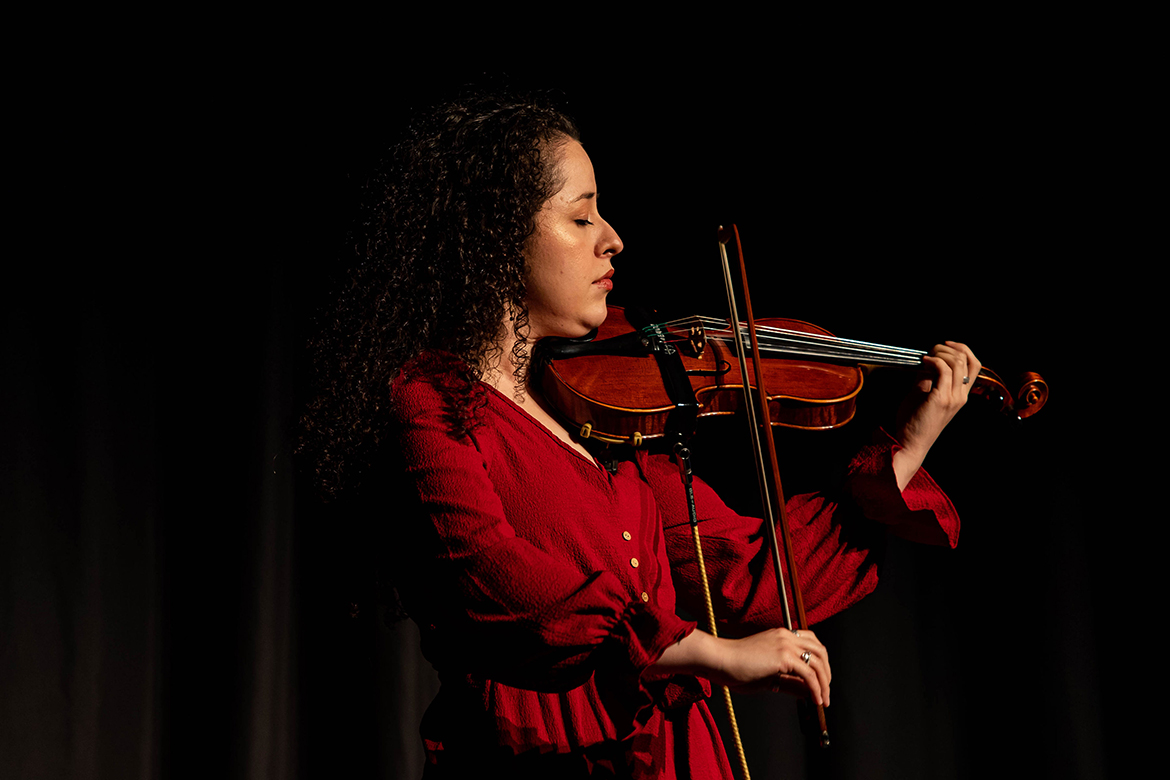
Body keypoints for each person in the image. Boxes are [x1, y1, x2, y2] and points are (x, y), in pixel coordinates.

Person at [302, 91, 979, 778]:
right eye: (580, 214)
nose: (612, 237)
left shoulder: (597, 414)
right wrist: (707, 654)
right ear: (498, 234)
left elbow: (752, 578)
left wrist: (909, 444)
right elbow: (495, 578)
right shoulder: (433, 402)